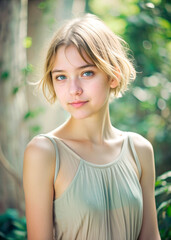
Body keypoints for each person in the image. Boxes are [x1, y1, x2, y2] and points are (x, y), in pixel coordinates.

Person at [23, 14, 161, 240]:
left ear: (113, 76)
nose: (74, 89)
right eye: (61, 77)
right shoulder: (44, 153)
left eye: (87, 73)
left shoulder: (139, 150)